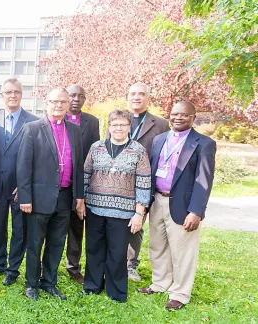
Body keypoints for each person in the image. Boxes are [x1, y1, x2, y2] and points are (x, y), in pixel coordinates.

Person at [138, 101, 216, 311]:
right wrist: (145, 202)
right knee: (157, 246)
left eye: (184, 114)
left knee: (183, 252)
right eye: (174, 114)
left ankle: (180, 293)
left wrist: (196, 211)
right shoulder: (159, 139)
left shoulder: (204, 143)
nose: (178, 118)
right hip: (157, 200)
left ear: (193, 117)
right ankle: (160, 283)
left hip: (183, 205)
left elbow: (204, 180)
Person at [17, 87, 85, 300]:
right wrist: (25, 198)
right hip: (38, 199)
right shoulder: (32, 128)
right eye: (55, 101)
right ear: (46, 102)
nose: (59, 105)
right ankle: (31, 284)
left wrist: (79, 196)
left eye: (63, 102)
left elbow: (79, 166)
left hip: (64, 198)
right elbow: (23, 166)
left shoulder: (74, 130)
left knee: (56, 243)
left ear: (68, 105)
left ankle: (49, 282)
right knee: (35, 243)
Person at [82, 109, 151, 302]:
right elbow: (86, 174)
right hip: (95, 207)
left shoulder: (138, 150)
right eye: (114, 124)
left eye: (123, 124)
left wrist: (139, 212)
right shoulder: (96, 147)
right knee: (94, 248)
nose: (118, 128)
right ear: (109, 127)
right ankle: (92, 285)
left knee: (117, 252)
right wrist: (81, 201)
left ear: (129, 127)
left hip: (123, 211)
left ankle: (116, 292)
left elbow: (144, 181)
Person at [0, 78, 38, 286]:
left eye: (16, 91)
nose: (13, 95)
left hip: (20, 187)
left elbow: (37, 157)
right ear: (2, 95)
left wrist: (25, 184)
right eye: (8, 92)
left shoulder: (33, 122)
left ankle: (12, 269)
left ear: (22, 94)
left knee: (20, 229)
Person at [124, 82, 170, 282]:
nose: (137, 97)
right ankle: (115, 260)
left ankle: (130, 265)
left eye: (141, 94)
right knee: (118, 223)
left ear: (148, 98)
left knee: (137, 223)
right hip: (120, 182)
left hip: (146, 183)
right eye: (133, 94)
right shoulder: (119, 118)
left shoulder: (160, 124)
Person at [64, 84, 100, 284]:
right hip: (58, 182)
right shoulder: (56, 118)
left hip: (81, 181)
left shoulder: (92, 122)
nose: (76, 99)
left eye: (80, 96)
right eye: (72, 95)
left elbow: (94, 151)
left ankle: (73, 267)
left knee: (77, 225)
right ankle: (45, 264)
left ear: (85, 99)